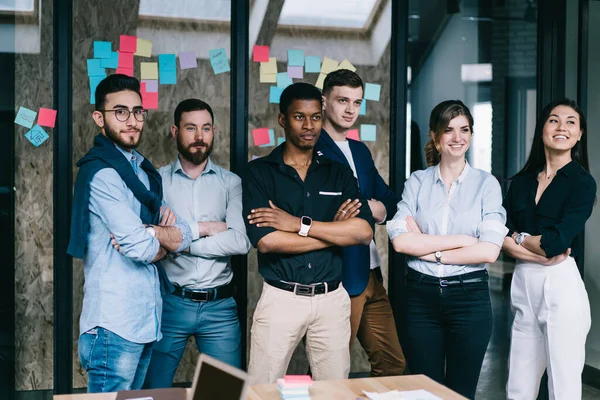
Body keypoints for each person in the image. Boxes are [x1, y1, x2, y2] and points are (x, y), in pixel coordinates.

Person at [67, 74, 194, 392]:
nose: (132, 120)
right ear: (99, 118)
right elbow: (142, 250)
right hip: (114, 325)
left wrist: (152, 233)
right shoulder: (103, 174)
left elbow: (183, 234)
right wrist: (161, 238)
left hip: (145, 320)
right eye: (120, 111)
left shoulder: (142, 171)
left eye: (138, 111)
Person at [243, 82, 374, 384]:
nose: (309, 125)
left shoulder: (338, 173)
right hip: (281, 298)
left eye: (315, 117)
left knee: (334, 392)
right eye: (299, 117)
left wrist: (297, 224)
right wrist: (333, 232)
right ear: (282, 119)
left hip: (331, 299)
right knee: (261, 391)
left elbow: (363, 232)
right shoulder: (259, 173)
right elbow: (268, 241)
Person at [386, 100, 507, 399]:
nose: (457, 137)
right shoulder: (416, 182)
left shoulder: (486, 185)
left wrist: (429, 250)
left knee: (460, 393)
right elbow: (401, 241)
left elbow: (489, 252)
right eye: (449, 130)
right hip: (420, 299)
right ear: (435, 136)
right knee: (424, 392)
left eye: (464, 129)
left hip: (469, 300)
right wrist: (465, 240)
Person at [143, 99, 251, 388]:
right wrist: (207, 231)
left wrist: (177, 240)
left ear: (214, 131)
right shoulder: (157, 181)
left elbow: (240, 242)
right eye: (191, 128)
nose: (199, 136)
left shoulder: (231, 183)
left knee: (222, 394)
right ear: (175, 131)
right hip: (169, 304)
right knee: (154, 392)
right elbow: (147, 236)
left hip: (220, 309)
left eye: (205, 128)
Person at [502, 98, 596, 400]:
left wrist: (517, 238)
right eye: (554, 120)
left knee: (563, 387)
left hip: (561, 285)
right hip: (523, 284)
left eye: (571, 122)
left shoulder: (582, 183)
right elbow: (497, 235)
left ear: (580, 134)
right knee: (517, 385)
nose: (562, 127)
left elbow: (556, 243)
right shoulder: (521, 182)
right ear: (542, 128)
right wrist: (526, 244)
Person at [316, 69, 405, 376]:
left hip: (371, 272)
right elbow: (328, 212)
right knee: (333, 370)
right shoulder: (313, 151)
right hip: (339, 276)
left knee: (393, 363)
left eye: (356, 102)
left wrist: (366, 207)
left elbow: (391, 204)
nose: (350, 109)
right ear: (324, 102)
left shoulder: (359, 150)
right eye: (342, 100)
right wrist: (373, 208)